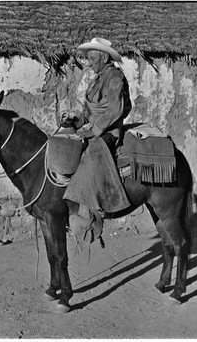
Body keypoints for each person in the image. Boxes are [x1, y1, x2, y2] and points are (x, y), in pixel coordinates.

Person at [60, 37, 132, 248]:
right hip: (94, 128)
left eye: (91, 58)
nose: (88, 62)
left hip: (109, 131)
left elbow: (114, 111)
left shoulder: (115, 77)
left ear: (104, 57)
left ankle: (94, 210)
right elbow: (88, 112)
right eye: (87, 58)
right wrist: (75, 121)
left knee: (91, 156)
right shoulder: (98, 78)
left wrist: (92, 132)